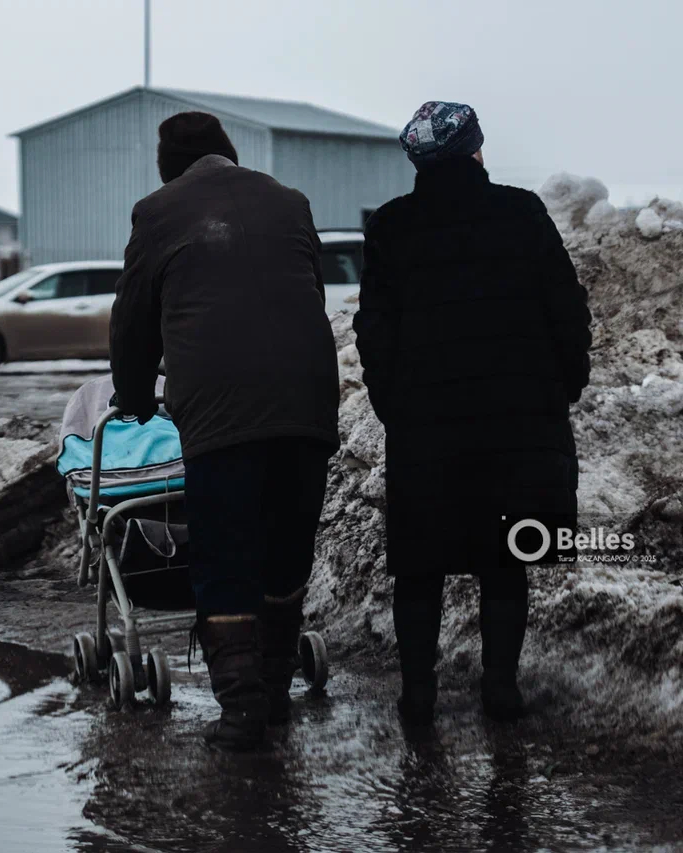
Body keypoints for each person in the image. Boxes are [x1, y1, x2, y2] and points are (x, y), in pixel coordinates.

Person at [353, 101, 591, 725]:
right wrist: (564, 387)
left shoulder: (391, 227)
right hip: (520, 421)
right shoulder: (522, 213)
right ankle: (500, 689)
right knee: (507, 556)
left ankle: (417, 694)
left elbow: (373, 332)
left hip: (427, 428)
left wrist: (394, 407)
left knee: (421, 562)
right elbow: (566, 309)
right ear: (477, 150)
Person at [110, 112, 340, 751]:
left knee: (226, 551)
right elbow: (308, 292)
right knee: (287, 547)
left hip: (220, 409)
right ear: (228, 153)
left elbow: (133, 319)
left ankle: (242, 711)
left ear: (167, 163)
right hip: (307, 400)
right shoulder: (289, 201)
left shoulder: (157, 211)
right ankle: (272, 693)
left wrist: (133, 398)